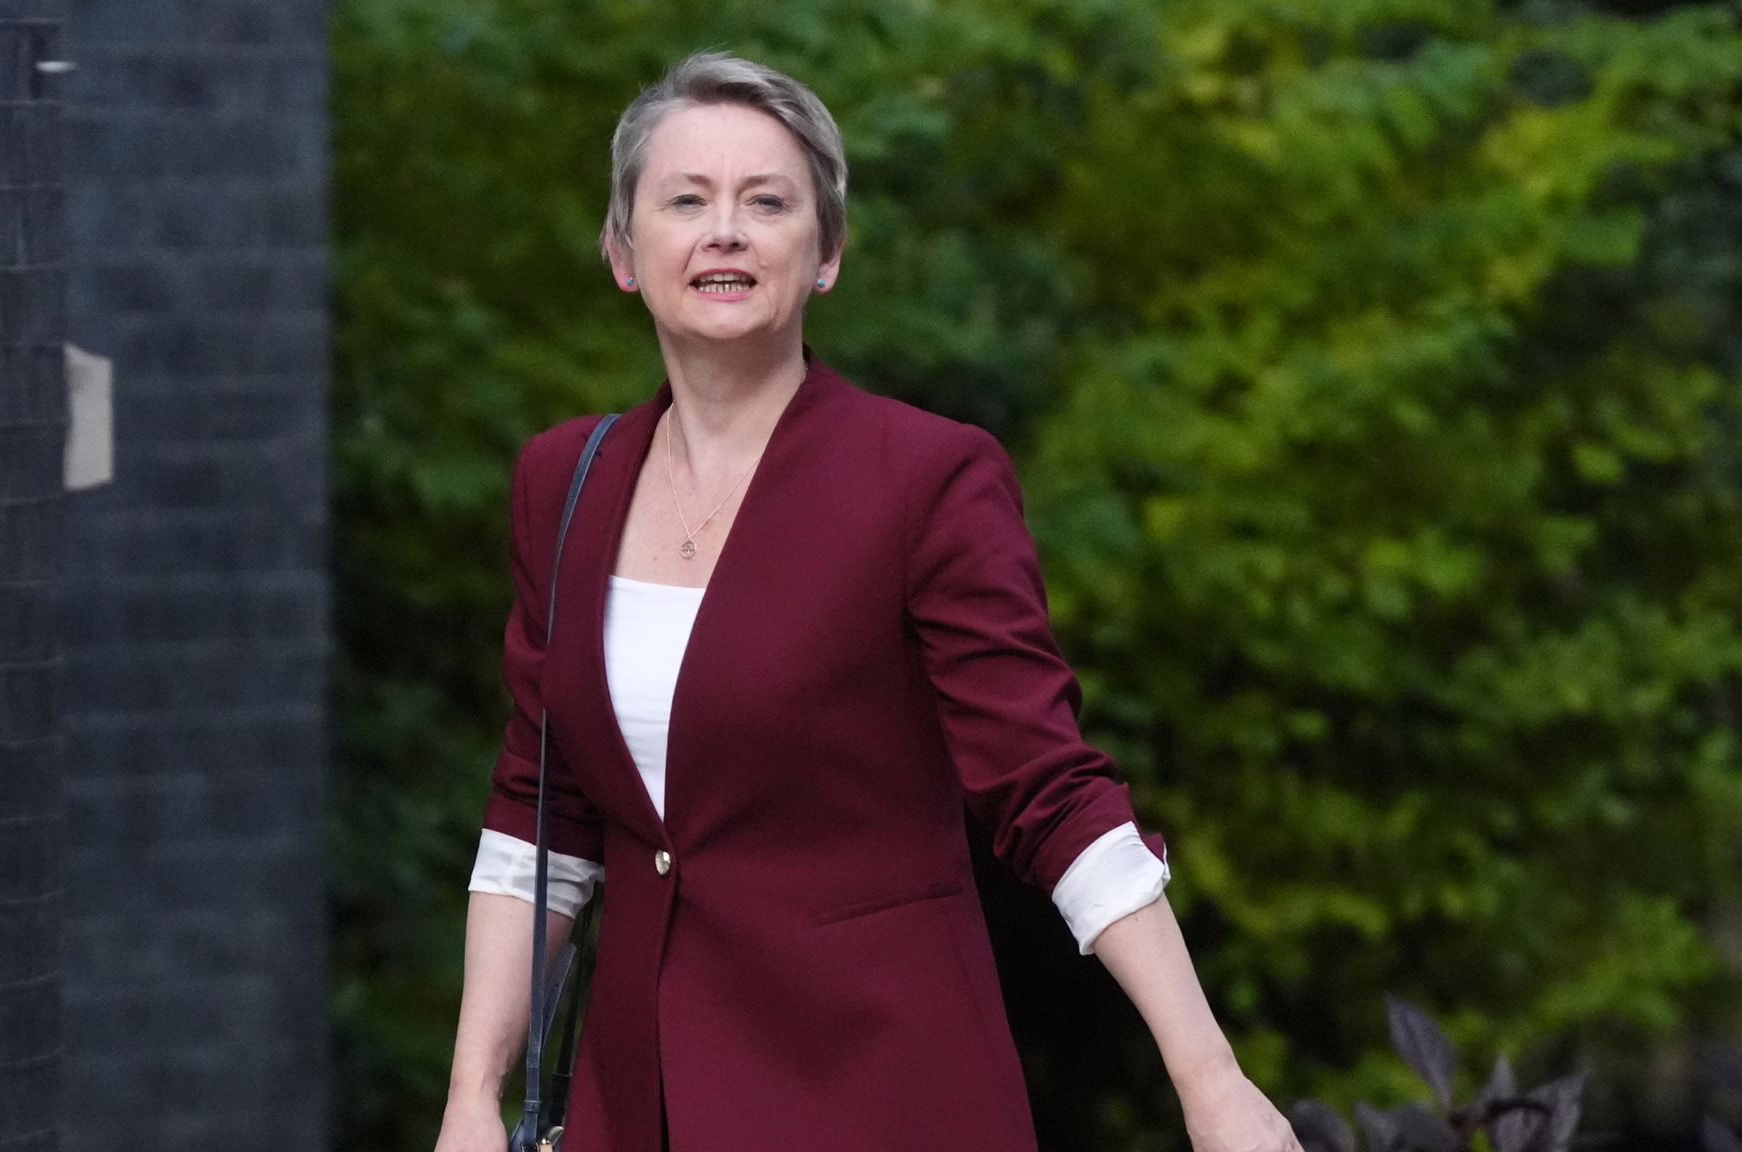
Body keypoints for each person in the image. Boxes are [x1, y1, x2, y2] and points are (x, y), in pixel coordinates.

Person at [433, 50, 1305, 1152]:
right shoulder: (564, 484)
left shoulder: (926, 479)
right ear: (621, 251)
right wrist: (471, 1100)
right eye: (685, 201)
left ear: (828, 253)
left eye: (767, 203)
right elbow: (539, 815)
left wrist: (1209, 1080)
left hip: (880, 1093)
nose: (725, 232)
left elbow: (1047, 791)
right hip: (637, 1104)